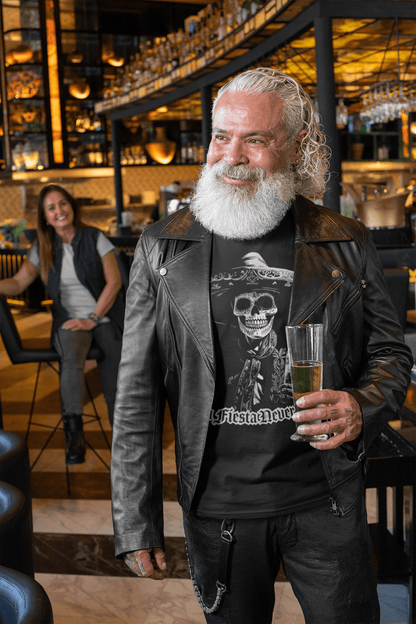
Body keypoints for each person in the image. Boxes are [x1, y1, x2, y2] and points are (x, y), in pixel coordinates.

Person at [111, 68, 413, 624]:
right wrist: (136, 520)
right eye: (222, 136)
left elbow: (391, 356)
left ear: (294, 146)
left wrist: (360, 405)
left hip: (325, 500)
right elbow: (135, 395)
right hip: (217, 510)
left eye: (256, 139)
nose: (233, 155)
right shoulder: (162, 247)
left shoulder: (345, 241)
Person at [0, 184, 124, 464]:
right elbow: (19, 282)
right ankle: (74, 435)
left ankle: (123, 435)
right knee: (71, 356)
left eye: (63, 204)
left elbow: (114, 282)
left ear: (72, 206)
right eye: (51, 208)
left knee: (114, 364)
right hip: (69, 320)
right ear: (45, 216)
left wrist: (92, 318)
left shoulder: (94, 237)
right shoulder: (43, 248)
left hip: (102, 316)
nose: (59, 211)